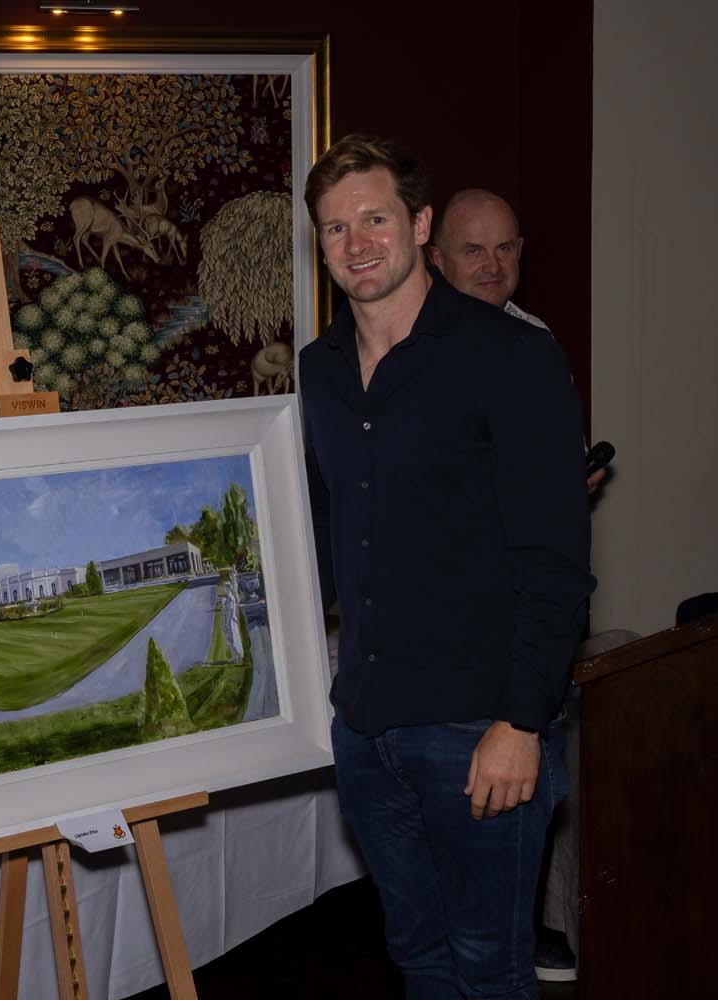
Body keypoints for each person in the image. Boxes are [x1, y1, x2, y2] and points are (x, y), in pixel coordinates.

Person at [299, 135, 594, 998]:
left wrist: (522, 722)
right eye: (335, 228)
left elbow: (555, 561)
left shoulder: (509, 356)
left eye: (375, 219)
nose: (356, 243)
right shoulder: (318, 372)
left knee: (491, 971)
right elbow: (328, 530)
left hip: (478, 730)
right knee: (419, 959)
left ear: (420, 224)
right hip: (366, 730)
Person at [427, 188, 606, 495]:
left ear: (520, 250)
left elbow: (566, 448)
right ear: (438, 259)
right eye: (474, 251)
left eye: (504, 249)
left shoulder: (536, 337)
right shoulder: (412, 341)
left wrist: (577, 472)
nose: (493, 266)